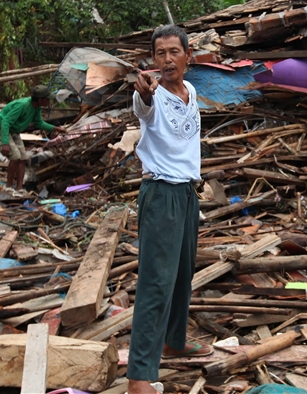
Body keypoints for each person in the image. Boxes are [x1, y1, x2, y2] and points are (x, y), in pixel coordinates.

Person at [127, 25, 212, 394]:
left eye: (173, 52)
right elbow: (142, 105)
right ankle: (139, 377)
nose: (166, 59)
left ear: (188, 56)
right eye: (159, 53)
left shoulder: (190, 91)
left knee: (180, 275)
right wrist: (143, 92)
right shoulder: (152, 96)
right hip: (161, 194)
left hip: (187, 193)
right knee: (155, 283)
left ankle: (173, 341)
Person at [0, 85, 66, 191]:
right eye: (47, 99)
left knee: (23, 158)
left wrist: (57, 129)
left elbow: (39, 122)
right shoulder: (22, 106)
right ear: (40, 100)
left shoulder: (37, 107)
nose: (48, 102)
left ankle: (19, 188)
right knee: (15, 157)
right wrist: (5, 142)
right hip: (2, 127)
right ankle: (8, 187)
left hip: (14, 130)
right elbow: (5, 122)